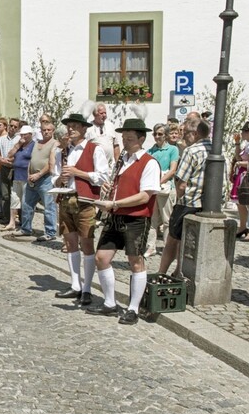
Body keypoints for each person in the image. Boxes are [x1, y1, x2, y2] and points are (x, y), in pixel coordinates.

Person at [87, 119, 160, 324]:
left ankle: (133, 309)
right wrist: (108, 191)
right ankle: (110, 303)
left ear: (141, 139)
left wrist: (115, 203)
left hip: (136, 218)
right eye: (124, 138)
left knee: (135, 261)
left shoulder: (149, 162)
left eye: (130, 138)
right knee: (101, 257)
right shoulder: (122, 160)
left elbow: (145, 196)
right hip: (116, 215)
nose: (125, 142)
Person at [53, 113, 109, 305]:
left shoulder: (94, 149)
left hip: (85, 200)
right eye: (69, 126)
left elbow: (103, 176)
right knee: (69, 243)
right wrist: (60, 178)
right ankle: (75, 284)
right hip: (66, 198)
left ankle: (87, 288)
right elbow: (55, 176)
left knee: (86, 244)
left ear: (84, 129)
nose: (71, 129)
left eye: (75, 126)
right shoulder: (63, 152)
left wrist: (78, 173)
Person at [158, 117, 211, 278]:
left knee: (173, 240)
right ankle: (178, 271)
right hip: (207, 204)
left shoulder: (192, 151)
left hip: (188, 202)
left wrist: (179, 199)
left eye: (185, 132)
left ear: (194, 133)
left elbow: (181, 183)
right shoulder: (217, 149)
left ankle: (161, 273)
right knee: (187, 242)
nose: (183, 136)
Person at [16, 115, 58, 241]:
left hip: (45, 179)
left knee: (48, 206)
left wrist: (39, 174)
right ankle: (25, 228)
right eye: (44, 130)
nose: (46, 132)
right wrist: (29, 174)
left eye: (48, 130)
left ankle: (50, 232)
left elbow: (50, 163)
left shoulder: (54, 144)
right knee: (27, 204)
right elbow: (32, 160)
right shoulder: (37, 143)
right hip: (32, 178)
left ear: (53, 131)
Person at [145, 123, 180, 256]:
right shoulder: (150, 151)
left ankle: (167, 247)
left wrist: (159, 181)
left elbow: (172, 170)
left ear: (165, 135)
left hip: (165, 187)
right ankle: (151, 246)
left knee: (167, 220)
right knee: (152, 220)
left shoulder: (172, 149)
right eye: (155, 134)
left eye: (160, 134)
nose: (157, 136)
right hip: (153, 189)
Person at [5, 125, 35, 234]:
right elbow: (9, 154)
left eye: (25, 135)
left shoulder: (33, 145)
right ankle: (12, 222)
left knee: (25, 201)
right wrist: (18, 145)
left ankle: (26, 225)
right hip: (16, 175)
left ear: (30, 135)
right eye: (21, 135)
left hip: (26, 177)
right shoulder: (19, 145)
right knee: (14, 200)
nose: (23, 137)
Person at [0, 119, 20, 229]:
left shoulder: (20, 139)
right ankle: (6, 217)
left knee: (17, 194)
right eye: (11, 126)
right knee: (5, 194)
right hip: (4, 168)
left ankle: (18, 218)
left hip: (16, 168)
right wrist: (1, 160)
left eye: (15, 126)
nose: (13, 128)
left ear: (17, 128)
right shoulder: (1, 139)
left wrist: (13, 160)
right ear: (8, 126)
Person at [232, 121, 249, 239]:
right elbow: (238, 157)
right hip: (242, 174)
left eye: (243, 131)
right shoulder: (247, 145)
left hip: (247, 175)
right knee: (240, 203)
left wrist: (240, 163)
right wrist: (237, 143)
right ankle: (243, 226)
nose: (242, 133)